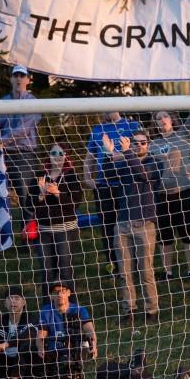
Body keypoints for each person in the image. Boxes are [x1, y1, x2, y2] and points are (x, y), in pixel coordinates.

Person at [103, 130, 160, 325]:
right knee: (124, 271)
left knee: (145, 270)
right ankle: (129, 310)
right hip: (122, 223)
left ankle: (152, 310)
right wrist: (110, 153)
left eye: (142, 143)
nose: (138, 146)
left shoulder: (155, 162)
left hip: (144, 224)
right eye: (135, 143)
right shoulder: (126, 161)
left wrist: (126, 153)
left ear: (148, 145)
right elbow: (108, 173)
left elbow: (143, 175)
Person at [84, 111, 141, 275]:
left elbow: (139, 149)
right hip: (104, 186)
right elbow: (90, 157)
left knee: (129, 225)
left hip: (126, 183)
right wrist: (87, 177)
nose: (107, 111)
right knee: (107, 227)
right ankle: (113, 266)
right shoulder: (97, 130)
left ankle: (134, 265)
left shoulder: (131, 126)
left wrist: (117, 155)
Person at [0, 65, 43, 230]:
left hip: (23, 155)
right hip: (3, 153)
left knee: (26, 196)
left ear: (28, 79)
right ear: (11, 79)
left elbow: (23, 129)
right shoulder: (3, 101)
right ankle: (0, 235)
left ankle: (29, 236)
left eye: (22, 75)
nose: (19, 78)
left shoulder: (33, 102)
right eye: (15, 75)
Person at [150, 111, 190, 280]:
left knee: (187, 231)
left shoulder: (183, 135)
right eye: (158, 118)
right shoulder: (152, 144)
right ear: (155, 124)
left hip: (183, 191)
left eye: (165, 116)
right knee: (164, 234)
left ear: (172, 119)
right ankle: (168, 272)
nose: (162, 120)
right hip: (161, 194)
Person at [28, 143, 83, 298]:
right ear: (49, 155)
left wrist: (58, 193)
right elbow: (28, 205)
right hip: (44, 231)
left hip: (65, 230)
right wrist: (41, 195)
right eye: (54, 153)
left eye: (61, 153)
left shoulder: (71, 176)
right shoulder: (40, 176)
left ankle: (69, 307)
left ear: (66, 156)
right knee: (46, 271)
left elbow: (75, 203)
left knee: (65, 269)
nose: (57, 156)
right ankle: (47, 309)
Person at [36, 283, 97, 379]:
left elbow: (89, 330)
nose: (60, 294)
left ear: (69, 293)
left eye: (63, 291)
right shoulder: (46, 311)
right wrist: (40, 347)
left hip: (75, 348)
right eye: (56, 292)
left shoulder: (79, 309)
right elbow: (41, 334)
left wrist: (94, 344)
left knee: (84, 346)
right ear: (51, 295)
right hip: (54, 349)